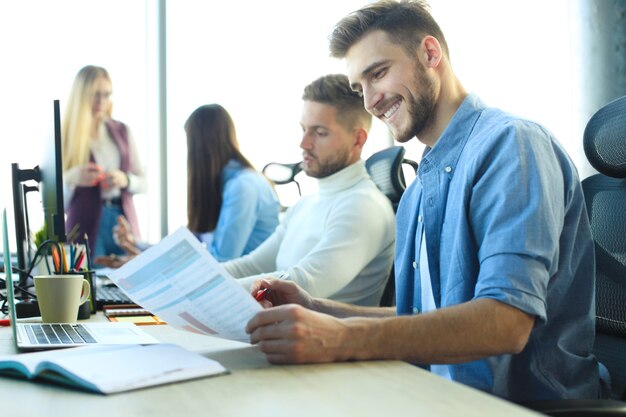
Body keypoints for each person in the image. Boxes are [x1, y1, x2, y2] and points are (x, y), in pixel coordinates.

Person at [246, 0, 603, 402]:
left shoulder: (511, 146)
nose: (369, 102)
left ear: (430, 53)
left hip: (522, 406)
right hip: (432, 396)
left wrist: (341, 338)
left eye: (377, 73)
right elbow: (418, 322)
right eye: (359, 88)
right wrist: (318, 309)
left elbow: (506, 322)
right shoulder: (417, 190)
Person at [223, 73, 396, 306]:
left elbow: (302, 282)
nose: (303, 143)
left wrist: (201, 292)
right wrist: (189, 279)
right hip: (278, 332)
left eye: (319, 132)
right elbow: (251, 265)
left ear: (357, 140)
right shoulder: (306, 204)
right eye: (304, 129)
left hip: (323, 340)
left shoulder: (364, 206)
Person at [100, 104, 280, 263]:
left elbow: (222, 262)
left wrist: (146, 263)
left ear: (200, 146)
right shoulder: (222, 187)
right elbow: (184, 246)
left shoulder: (242, 187)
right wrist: (135, 244)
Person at [63, 65, 146, 258]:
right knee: (91, 283)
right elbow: (52, 200)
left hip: (122, 221)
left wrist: (125, 180)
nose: (102, 101)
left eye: (107, 94)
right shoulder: (66, 136)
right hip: (85, 222)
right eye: (95, 94)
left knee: (129, 278)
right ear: (81, 95)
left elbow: (144, 182)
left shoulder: (122, 131)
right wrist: (71, 178)